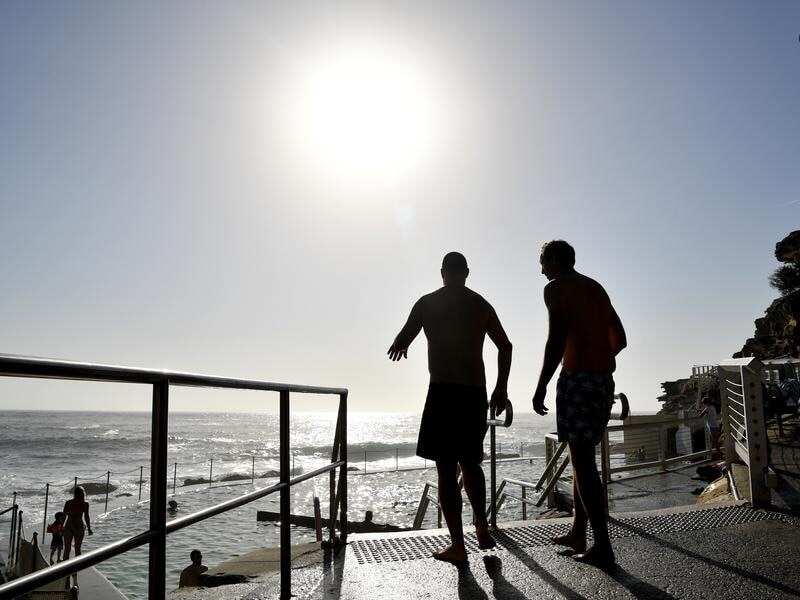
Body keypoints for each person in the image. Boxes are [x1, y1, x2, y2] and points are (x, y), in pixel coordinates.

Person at [388, 251, 512, 564]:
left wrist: (401, 343)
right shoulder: (480, 304)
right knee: (471, 463)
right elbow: (506, 346)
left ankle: (458, 545)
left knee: (446, 470)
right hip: (474, 392)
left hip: (442, 392)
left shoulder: (428, 303)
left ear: (443, 272)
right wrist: (501, 388)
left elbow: (402, 339)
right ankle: (481, 526)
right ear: (466, 272)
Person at [530, 240, 626, 572]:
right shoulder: (595, 288)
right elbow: (620, 338)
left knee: (583, 462)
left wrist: (542, 382)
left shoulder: (557, 289)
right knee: (581, 457)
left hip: (578, 381)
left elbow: (556, 339)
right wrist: (599, 358)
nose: (541, 269)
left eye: (543, 261)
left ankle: (602, 545)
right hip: (602, 382)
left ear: (556, 260)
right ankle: (578, 532)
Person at [62, 486, 93, 560]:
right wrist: (89, 528)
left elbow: (64, 516)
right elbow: (86, 517)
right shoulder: (84, 504)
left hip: (70, 527)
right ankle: (75, 568)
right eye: (82, 493)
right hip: (77, 527)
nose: (83, 494)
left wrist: (89, 528)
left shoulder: (69, 503)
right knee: (76, 549)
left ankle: (66, 569)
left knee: (69, 549)